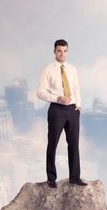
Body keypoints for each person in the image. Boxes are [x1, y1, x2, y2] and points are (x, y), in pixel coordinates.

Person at [37, 39, 87, 188]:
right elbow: (40, 92)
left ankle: (75, 177)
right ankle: (51, 179)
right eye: (59, 50)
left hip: (72, 110)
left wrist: (78, 105)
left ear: (67, 51)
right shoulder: (48, 69)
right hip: (56, 110)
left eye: (65, 51)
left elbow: (76, 88)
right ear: (54, 51)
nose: (62, 54)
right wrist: (57, 98)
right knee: (52, 144)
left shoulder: (72, 69)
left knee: (74, 144)